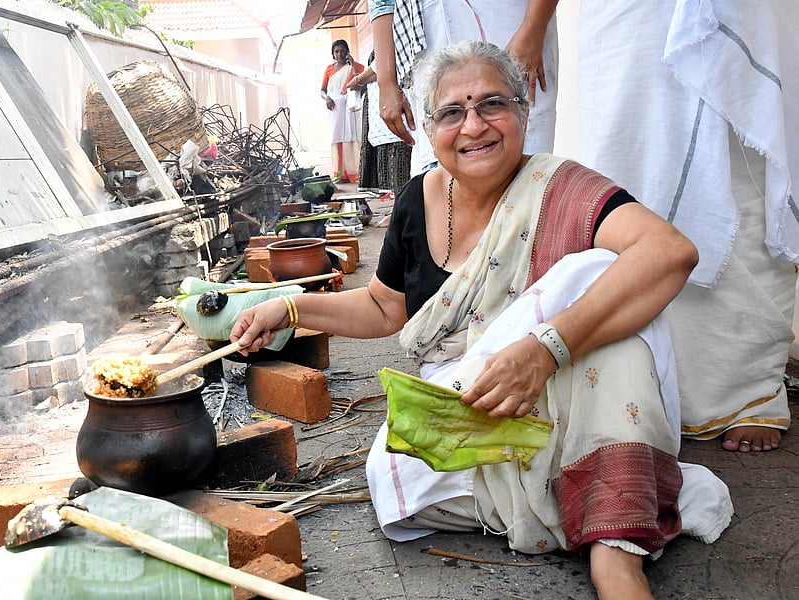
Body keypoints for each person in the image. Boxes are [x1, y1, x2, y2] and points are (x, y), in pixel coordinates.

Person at [232, 41, 733, 600]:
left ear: (523, 112)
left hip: (563, 389)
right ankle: (586, 499)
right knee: (391, 474)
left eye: (493, 103)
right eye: (452, 111)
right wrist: (293, 307)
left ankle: (615, 551)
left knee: (602, 288)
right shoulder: (415, 202)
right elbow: (384, 307)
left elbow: (670, 253)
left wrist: (546, 349)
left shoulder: (560, 187)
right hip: (471, 412)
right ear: (428, 126)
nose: (474, 126)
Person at [577, 1, 798, 452]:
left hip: (743, 14)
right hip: (626, 25)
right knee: (630, 181)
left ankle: (751, 393)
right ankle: (639, 389)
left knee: (745, 187)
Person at [368, 0, 559, 176]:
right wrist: (386, 81)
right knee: (442, 176)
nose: (473, 127)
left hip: (510, 25)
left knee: (522, 173)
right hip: (425, 35)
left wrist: (533, 29)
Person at [348, 51, 413, 195]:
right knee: (395, 178)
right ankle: (399, 210)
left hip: (397, 104)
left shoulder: (392, 35)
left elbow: (383, 63)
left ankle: (403, 212)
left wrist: (359, 80)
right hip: (383, 108)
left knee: (401, 167)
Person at [320, 39, 365, 183]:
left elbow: (361, 81)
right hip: (335, 108)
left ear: (347, 52)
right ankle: (340, 173)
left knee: (353, 137)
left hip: (352, 107)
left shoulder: (356, 66)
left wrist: (352, 64)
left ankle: (355, 173)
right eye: (336, 51)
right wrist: (327, 98)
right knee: (337, 137)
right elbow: (322, 90)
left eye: (342, 51)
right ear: (333, 54)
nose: (340, 54)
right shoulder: (329, 69)